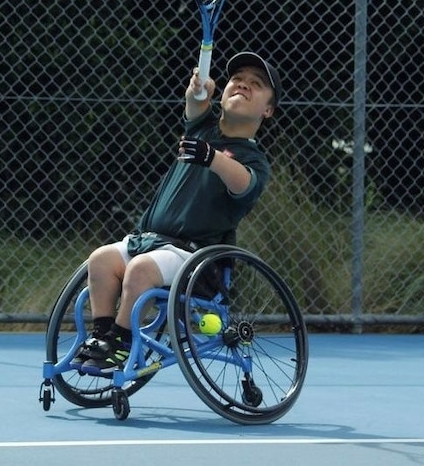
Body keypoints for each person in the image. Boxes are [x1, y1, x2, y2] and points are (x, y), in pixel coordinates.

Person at [73, 51, 281, 375]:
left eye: (256, 84)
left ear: (267, 110)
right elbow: (196, 102)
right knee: (100, 259)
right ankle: (104, 338)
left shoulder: (254, 161)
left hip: (194, 257)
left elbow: (243, 184)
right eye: (237, 80)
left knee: (141, 269)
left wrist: (212, 157)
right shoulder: (202, 128)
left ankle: (124, 341)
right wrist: (197, 91)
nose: (242, 85)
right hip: (149, 242)